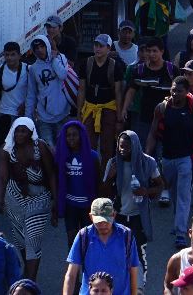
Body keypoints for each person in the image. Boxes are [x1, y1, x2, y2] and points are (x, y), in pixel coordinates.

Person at [147, 76, 193, 248]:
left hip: (187, 159)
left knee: (184, 195)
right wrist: (147, 156)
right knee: (174, 193)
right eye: (173, 89)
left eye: (179, 90)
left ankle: (180, 232)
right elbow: (153, 133)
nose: (175, 93)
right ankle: (180, 224)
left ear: (187, 92)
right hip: (167, 159)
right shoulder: (161, 108)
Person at [0, 117, 56, 280]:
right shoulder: (6, 149)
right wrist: (0, 199)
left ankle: (30, 281)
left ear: (30, 133)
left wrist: (56, 202)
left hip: (39, 197)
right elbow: (2, 177)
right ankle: (27, 273)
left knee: (32, 239)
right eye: (17, 130)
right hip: (14, 198)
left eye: (24, 131)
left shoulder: (40, 147)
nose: (20, 134)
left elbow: (51, 174)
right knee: (21, 240)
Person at [103, 130, 162, 291]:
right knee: (116, 253)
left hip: (138, 218)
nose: (123, 150)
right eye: (121, 146)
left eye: (127, 147)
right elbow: (104, 193)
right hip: (118, 216)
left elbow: (160, 185)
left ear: (135, 146)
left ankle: (139, 288)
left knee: (139, 254)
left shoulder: (148, 162)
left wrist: (145, 191)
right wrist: (110, 177)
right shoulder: (113, 163)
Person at [63, 198, 139, 295]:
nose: (103, 225)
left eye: (106, 221)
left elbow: (133, 270)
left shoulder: (126, 236)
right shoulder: (83, 236)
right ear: (91, 217)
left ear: (114, 215)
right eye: (99, 222)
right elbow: (71, 275)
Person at [78, 34, 124, 172]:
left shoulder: (115, 66)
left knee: (107, 146)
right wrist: (79, 112)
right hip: (90, 108)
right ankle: (89, 174)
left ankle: (106, 179)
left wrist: (119, 116)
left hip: (108, 108)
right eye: (96, 45)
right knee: (88, 144)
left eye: (101, 46)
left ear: (108, 48)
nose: (97, 48)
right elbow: (81, 89)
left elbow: (118, 92)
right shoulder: (86, 63)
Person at [56, 121, 100, 247]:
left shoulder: (93, 157)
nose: (71, 138)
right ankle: (74, 267)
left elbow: (98, 182)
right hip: (70, 206)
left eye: (74, 135)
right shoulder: (62, 156)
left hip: (87, 206)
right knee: (73, 242)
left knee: (87, 242)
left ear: (81, 136)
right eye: (68, 135)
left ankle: (87, 266)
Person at [25, 35, 69, 147]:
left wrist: (53, 59)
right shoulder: (33, 68)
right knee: (48, 148)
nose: (39, 50)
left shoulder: (60, 58)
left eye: (42, 46)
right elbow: (31, 94)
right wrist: (28, 119)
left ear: (47, 46)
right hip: (44, 116)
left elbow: (63, 75)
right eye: (36, 48)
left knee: (63, 147)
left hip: (62, 114)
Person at [0, 41, 29, 146]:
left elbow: (34, 91)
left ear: (19, 55)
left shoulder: (28, 70)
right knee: (4, 146)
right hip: (4, 114)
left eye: (13, 55)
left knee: (22, 146)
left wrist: (26, 105)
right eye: (7, 55)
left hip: (22, 115)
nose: (9, 58)